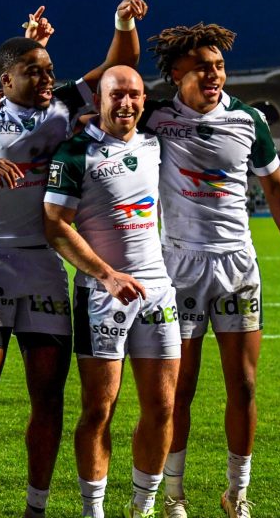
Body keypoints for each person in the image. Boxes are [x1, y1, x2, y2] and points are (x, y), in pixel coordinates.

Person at [0, 0, 147, 518]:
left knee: (49, 398)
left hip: (45, 266)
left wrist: (122, 22)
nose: (47, 78)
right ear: (5, 81)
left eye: (48, 69)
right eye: (33, 71)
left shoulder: (66, 106)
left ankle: (35, 509)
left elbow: (121, 61)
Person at [142, 23, 280, 518]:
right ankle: (173, 493)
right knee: (182, 388)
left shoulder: (248, 119)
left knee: (243, 385)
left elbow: (277, 188)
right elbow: (100, 110)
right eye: (202, 67)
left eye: (218, 66)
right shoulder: (156, 118)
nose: (214, 74)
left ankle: (236, 494)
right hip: (180, 267)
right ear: (176, 74)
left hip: (238, 266)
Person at [43, 66, 180, 518]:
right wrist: (106, 275)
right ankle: (93, 511)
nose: (126, 103)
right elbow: (55, 226)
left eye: (134, 95)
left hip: (157, 291)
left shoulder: (156, 144)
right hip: (102, 296)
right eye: (116, 95)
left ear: (145, 99)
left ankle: (142, 508)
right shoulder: (75, 152)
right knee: (99, 409)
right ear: (98, 100)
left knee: (162, 408)